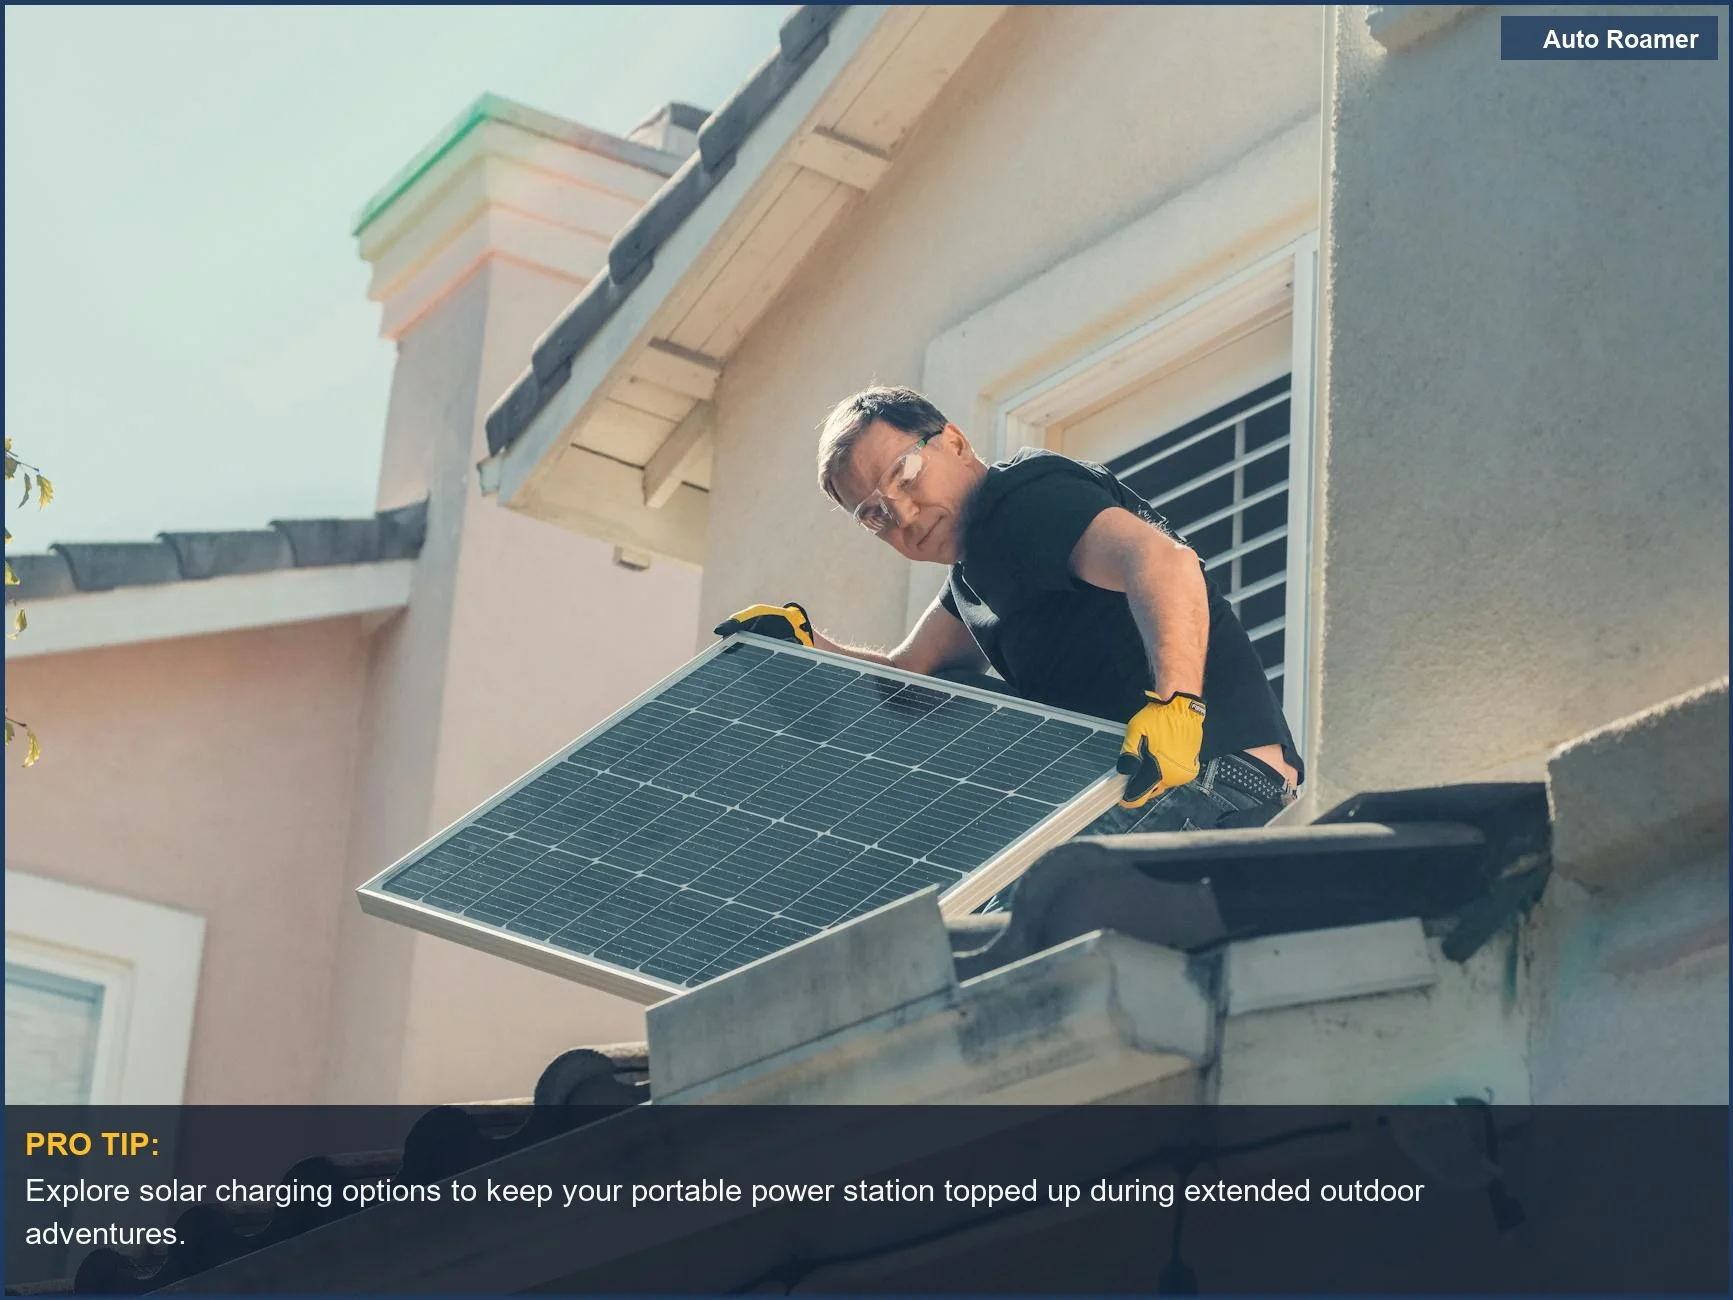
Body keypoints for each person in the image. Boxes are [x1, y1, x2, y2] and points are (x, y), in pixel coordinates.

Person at [715, 386, 1302, 836]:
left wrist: (1177, 708)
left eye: (906, 474)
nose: (904, 513)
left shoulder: (1021, 500)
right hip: (1171, 787)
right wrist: (806, 646)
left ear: (956, 442)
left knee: (1002, 933)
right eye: (873, 513)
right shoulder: (976, 575)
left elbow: (1163, 562)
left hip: (1211, 775)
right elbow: (909, 679)